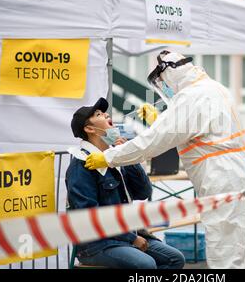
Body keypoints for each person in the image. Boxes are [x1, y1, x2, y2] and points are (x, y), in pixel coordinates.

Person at [84, 51, 245, 269]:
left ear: (171, 72)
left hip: (222, 178)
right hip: (238, 173)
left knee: (225, 248)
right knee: (241, 244)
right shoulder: (213, 88)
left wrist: (109, 157)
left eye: (162, 82)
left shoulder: (192, 96)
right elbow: (195, 131)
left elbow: (152, 143)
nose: (164, 87)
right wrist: (160, 121)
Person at [65, 97, 185, 269]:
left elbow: (143, 192)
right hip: (97, 244)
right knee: (146, 264)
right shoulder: (81, 164)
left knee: (175, 259)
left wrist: (128, 157)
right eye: (99, 114)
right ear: (90, 129)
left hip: (127, 234)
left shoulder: (113, 157)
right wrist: (131, 239)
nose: (106, 114)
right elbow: (90, 217)